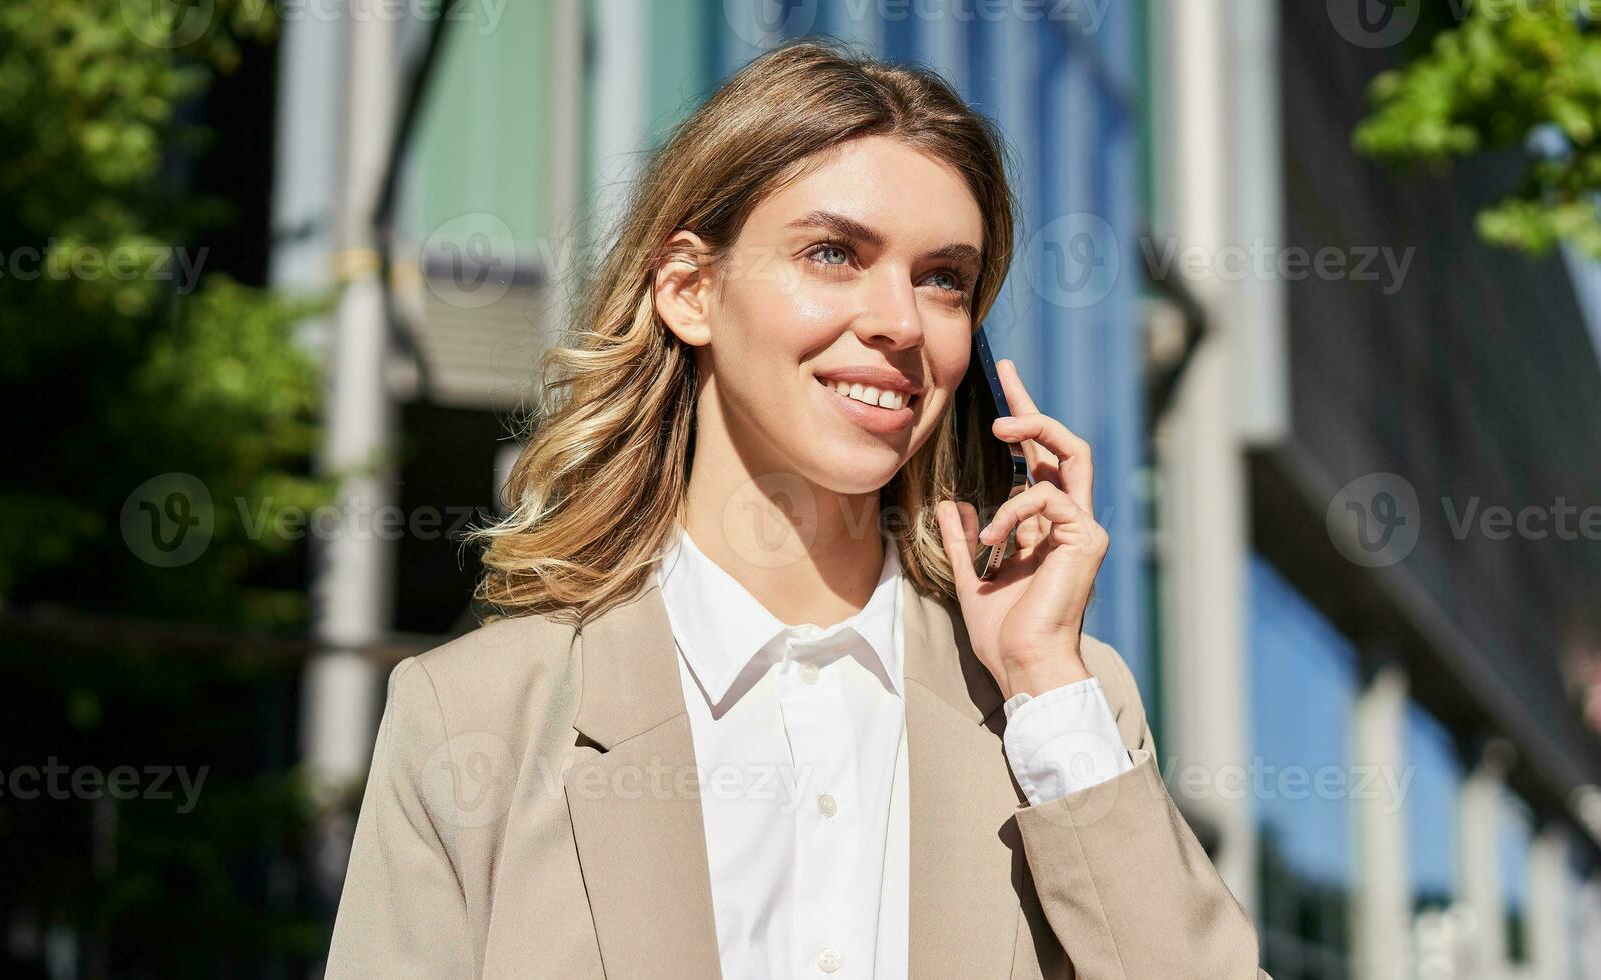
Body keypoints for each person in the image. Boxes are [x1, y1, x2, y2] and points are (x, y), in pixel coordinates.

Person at [325, 41, 1265, 979]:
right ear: (689, 290)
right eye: (832, 253)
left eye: (944, 277)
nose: (900, 320)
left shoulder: (1063, 704)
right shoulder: (476, 712)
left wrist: (1044, 687)